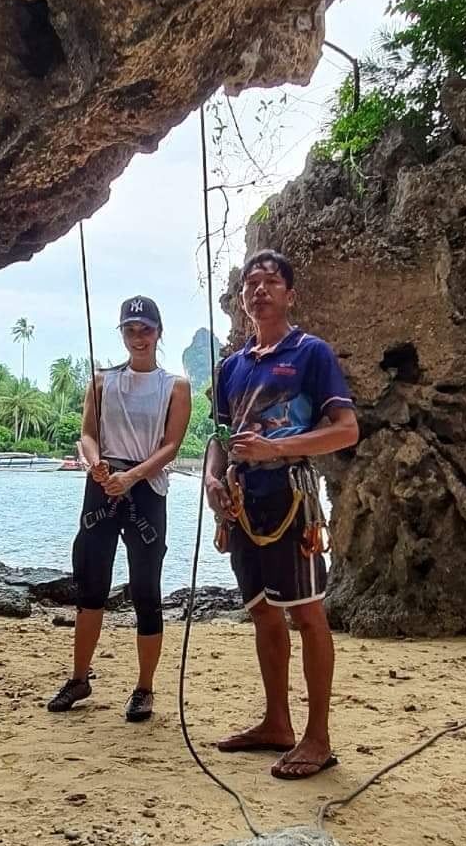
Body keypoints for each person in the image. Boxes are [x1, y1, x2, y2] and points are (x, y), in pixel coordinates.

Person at [206, 250, 358, 779]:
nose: (260, 290)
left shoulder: (311, 353)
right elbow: (218, 435)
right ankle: (277, 722)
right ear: (243, 298)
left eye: (271, 282)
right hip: (242, 502)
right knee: (263, 611)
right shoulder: (232, 365)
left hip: (291, 493)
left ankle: (318, 736)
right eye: (251, 283)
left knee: (308, 613)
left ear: (290, 294)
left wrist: (274, 450)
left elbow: (346, 429)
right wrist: (210, 478)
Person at [48, 297, 191, 721]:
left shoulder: (174, 386)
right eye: (131, 330)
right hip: (102, 484)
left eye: (146, 329)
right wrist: (96, 466)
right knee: (91, 586)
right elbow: (88, 435)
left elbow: (170, 446)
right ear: (122, 334)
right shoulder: (101, 382)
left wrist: (131, 477)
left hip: (146, 490)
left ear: (158, 333)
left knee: (146, 590)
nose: (138, 337)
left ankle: (145, 687)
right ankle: (79, 678)